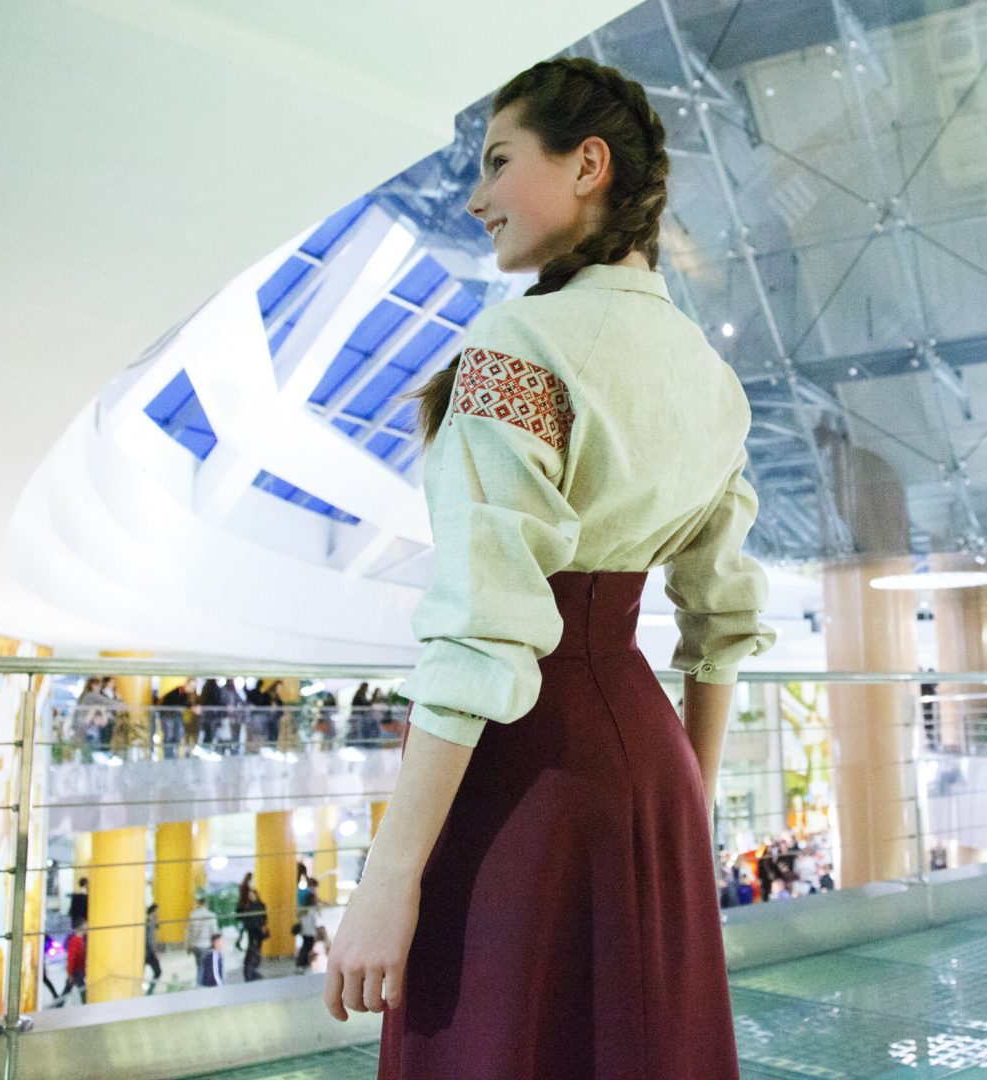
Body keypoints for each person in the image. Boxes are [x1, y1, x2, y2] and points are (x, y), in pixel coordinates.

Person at [324, 58, 774, 1080]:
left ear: (587, 164)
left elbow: (484, 627)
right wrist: (688, 808)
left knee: (497, 1043)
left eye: (498, 161)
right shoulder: (709, 377)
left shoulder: (517, 344)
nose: (475, 198)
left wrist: (391, 874)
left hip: (524, 776)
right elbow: (721, 621)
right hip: (656, 771)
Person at [236, 882, 268, 981]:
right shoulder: (248, 907)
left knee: (257, 949)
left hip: (258, 931)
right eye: (250, 895)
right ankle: (252, 969)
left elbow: (264, 918)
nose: (251, 897)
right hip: (252, 931)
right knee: (253, 949)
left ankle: (253, 968)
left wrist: (263, 926)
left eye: (252, 895)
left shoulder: (260, 905)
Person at [52, 917, 87, 1006]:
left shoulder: (81, 940)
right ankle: (86, 1005)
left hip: (78, 971)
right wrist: (70, 974)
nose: (87, 927)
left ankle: (58, 1005)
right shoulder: (75, 941)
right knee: (81, 991)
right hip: (76, 972)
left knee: (68, 990)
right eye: (85, 925)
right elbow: (71, 958)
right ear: (81, 927)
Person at [186, 894, 218, 984]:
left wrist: (188, 946)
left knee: (199, 966)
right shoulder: (211, 915)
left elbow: (188, 933)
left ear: (198, 903)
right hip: (206, 945)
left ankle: (199, 984)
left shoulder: (192, 915)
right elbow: (214, 932)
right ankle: (202, 985)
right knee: (206, 967)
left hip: (196, 946)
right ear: (206, 903)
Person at [296, 880, 322, 972]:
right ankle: (301, 963)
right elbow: (313, 921)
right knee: (307, 946)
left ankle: (304, 962)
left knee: (306, 945)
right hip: (308, 931)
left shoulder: (304, 909)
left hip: (305, 930)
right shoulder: (310, 910)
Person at [144, 902, 162, 993]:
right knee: (158, 971)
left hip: (146, 952)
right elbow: (149, 940)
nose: (158, 914)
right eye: (157, 911)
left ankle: (149, 990)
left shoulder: (150, 921)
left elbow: (157, 927)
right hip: (148, 953)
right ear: (153, 911)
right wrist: (155, 953)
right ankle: (150, 991)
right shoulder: (149, 923)